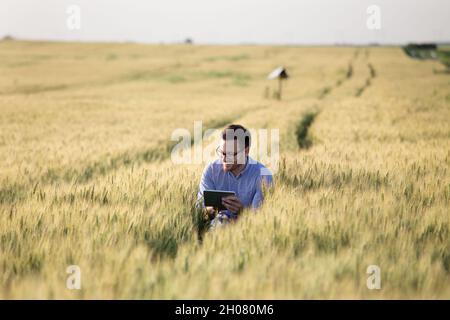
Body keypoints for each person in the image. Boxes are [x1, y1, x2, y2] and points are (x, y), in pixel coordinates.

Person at [197, 124, 273, 228]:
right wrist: (212, 211)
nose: (224, 159)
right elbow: (200, 215)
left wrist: (242, 211)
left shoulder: (263, 175)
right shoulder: (211, 171)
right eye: (222, 153)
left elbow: (260, 220)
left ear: (246, 151)